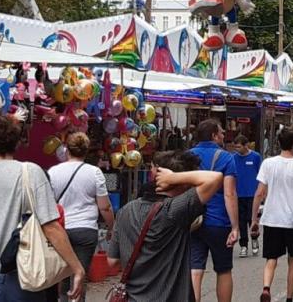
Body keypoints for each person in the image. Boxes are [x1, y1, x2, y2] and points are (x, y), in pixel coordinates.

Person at [0, 115, 85, 301]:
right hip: (25, 278)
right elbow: (51, 227)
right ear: (15, 143)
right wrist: (77, 268)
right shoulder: (30, 172)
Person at [108, 150, 222, 301]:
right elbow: (215, 178)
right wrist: (174, 177)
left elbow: (112, 261)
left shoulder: (125, 211)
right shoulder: (174, 210)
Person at [48, 132, 115, 302]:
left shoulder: (53, 172)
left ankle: (63, 299)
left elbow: (47, 205)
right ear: (86, 151)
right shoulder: (94, 172)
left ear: (66, 150)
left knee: (62, 277)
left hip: (59, 229)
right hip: (86, 229)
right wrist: (112, 227)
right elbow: (105, 206)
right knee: (80, 275)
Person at [250, 128, 293, 302]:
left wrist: (254, 219)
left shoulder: (268, 164)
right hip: (292, 221)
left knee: (271, 258)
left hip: (272, 219)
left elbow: (259, 193)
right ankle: (289, 298)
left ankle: (266, 287)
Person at [189, 119, 239, 302]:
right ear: (213, 135)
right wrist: (235, 226)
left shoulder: (187, 156)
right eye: (222, 132)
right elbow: (229, 194)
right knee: (223, 269)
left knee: (194, 269)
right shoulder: (226, 158)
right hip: (219, 221)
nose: (224, 135)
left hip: (192, 220)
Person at [233, 134, 262, 258]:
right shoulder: (233, 158)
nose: (237, 149)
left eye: (239, 147)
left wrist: (261, 192)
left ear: (246, 146)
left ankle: (254, 240)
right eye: (236, 147)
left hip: (252, 195)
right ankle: (243, 245)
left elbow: (261, 175)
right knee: (241, 221)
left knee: (252, 220)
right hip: (238, 194)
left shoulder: (255, 157)